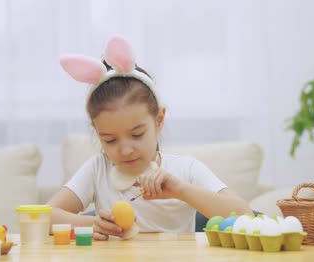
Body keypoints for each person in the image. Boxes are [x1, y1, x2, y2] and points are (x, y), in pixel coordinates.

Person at [48, 35, 253, 240]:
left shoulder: (185, 170)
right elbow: (44, 217)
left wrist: (180, 190)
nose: (126, 150)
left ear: (159, 119)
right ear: (96, 130)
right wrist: (93, 224)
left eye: (137, 134)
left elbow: (246, 217)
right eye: (110, 140)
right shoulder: (98, 169)